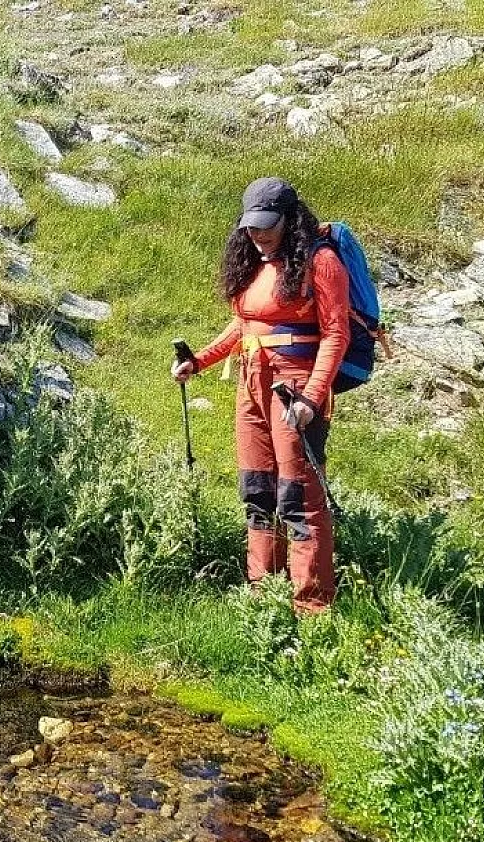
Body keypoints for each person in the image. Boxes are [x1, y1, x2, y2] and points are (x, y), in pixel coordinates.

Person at [171, 177, 351, 613]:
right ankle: (263, 596)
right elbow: (246, 325)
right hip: (251, 382)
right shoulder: (254, 262)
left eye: (267, 225)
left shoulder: (321, 262)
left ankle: (311, 607)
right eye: (251, 226)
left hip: (295, 386)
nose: (258, 234)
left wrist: (310, 398)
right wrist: (199, 361)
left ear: (291, 220)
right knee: (257, 489)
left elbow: (335, 334)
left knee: (299, 493)